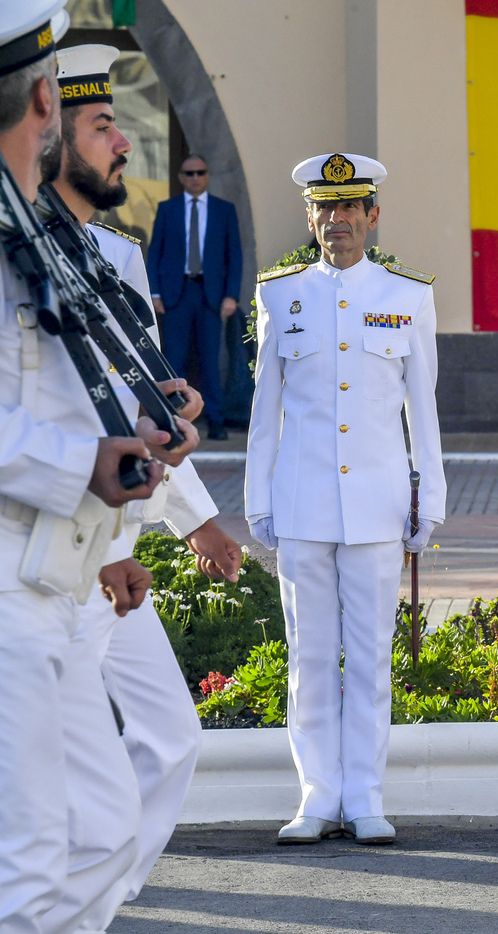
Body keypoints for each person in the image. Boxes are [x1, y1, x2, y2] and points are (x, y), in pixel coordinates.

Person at [0, 5, 197, 928]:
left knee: (100, 834)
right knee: (40, 861)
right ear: (43, 100)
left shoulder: (48, 239)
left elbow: (73, 389)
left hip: (59, 569)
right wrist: (82, 464)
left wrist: (140, 446)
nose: (117, 139)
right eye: (93, 118)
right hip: (18, 572)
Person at [52, 43, 244, 909]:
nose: (124, 143)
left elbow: (139, 406)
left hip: (112, 545)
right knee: (56, 758)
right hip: (55, 552)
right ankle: (66, 894)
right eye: (104, 126)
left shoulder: (113, 256)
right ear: (52, 134)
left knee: (170, 736)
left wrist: (189, 512)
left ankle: (106, 888)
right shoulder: (22, 261)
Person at [245, 152, 445, 846]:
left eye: (351, 208)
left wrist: (432, 500)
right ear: (310, 217)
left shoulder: (407, 296)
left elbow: (423, 412)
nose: (339, 222)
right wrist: (256, 499)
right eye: (326, 210)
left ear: (373, 216)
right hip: (301, 503)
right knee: (308, 655)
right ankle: (315, 796)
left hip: (378, 506)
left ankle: (364, 796)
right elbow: (265, 409)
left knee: (368, 655)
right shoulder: (280, 295)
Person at [147, 150, 244, 440]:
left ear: (207, 176)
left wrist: (231, 295)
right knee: (173, 359)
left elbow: (234, 256)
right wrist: (154, 292)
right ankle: (172, 418)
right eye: (189, 173)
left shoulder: (223, 209)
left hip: (210, 294)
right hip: (177, 293)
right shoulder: (168, 209)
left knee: (210, 360)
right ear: (181, 178)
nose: (195, 178)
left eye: (200, 172)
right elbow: (155, 253)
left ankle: (215, 419)